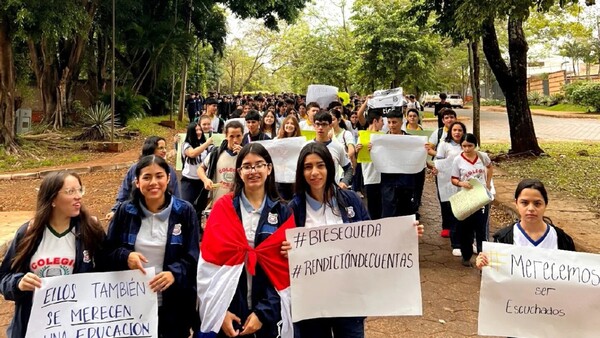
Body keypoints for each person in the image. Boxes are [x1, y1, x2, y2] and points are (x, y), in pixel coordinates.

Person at [283, 142, 424, 338]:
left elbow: (370, 237)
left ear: (330, 168)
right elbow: (283, 253)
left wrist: (403, 235)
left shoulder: (350, 200)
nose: (314, 172)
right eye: (308, 167)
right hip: (312, 303)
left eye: (320, 165)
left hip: (349, 300)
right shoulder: (293, 208)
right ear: (301, 171)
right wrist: (286, 250)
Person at [197, 143, 294, 338]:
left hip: (267, 317)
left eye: (259, 164)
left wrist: (263, 313)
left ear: (269, 168)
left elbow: (286, 272)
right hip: (229, 314)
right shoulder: (223, 208)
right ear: (239, 172)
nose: (253, 171)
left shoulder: (283, 212)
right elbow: (209, 265)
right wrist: (221, 312)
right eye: (247, 166)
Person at [102, 155, 200, 338]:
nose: (153, 182)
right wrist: (125, 256)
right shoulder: (125, 211)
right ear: (137, 182)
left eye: (159, 176)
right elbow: (107, 252)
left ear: (168, 178)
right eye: (147, 177)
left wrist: (174, 272)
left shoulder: (185, 211)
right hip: (132, 307)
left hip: (174, 307)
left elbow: (193, 256)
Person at [0, 171, 105, 338]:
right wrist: (18, 282)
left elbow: (108, 271)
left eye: (80, 190)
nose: (78, 196)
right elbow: (3, 277)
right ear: (52, 199)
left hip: (79, 327)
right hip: (34, 328)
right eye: (70, 192)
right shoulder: (28, 233)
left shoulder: (90, 230)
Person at [476, 179, 575, 270]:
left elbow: (572, 275)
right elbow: (495, 277)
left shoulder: (562, 240)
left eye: (537, 203)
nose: (531, 208)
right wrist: (484, 265)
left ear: (546, 204)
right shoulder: (503, 239)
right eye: (524, 202)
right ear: (516, 203)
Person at [106, 136, 180, 222]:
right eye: (161, 148)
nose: (164, 151)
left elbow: (176, 195)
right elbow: (124, 192)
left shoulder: (169, 170)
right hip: (137, 216)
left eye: (159, 176)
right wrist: (115, 210)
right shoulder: (135, 169)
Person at [451, 133, 494, 267]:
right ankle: (466, 255)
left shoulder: (482, 156)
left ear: (475, 145)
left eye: (470, 146)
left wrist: (487, 182)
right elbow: (453, 179)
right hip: (467, 198)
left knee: (481, 228)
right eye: (464, 146)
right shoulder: (457, 160)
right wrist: (461, 183)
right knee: (465, 228)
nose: (467, 149)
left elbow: (490, 167)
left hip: (481, 197)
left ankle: (483, 257)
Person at [428, 121, 467, 255]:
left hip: (465, 183)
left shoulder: (467, 144)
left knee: (466, 212)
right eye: (454, 130)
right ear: (450, 131)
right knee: (453, 212)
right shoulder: (444, 145)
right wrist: (435, 169)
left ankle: (468, 242)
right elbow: (438, 163)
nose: (457, 133)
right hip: (448, 183)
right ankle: (456, 243)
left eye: (460, 130)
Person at [197, 121, 244, 211]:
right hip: (217, 203)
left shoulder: (247, 156)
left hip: (238, 205)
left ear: (243, 135)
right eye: (231, 136)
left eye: (238, 136)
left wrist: (243, 156)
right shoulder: (217, 153)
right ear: (226, 136)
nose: (235, 140)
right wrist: (205, 180)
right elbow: (201, 168)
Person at [380, 108, 418, 218]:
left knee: (405, 212)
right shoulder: (381, 140)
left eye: (395, 122)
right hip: (388, 182)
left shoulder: (411, 140)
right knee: (388, 212)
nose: (392, 125)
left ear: (402, 122)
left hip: (406, 182)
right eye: (389, 122)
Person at [181, 118, 215, 219]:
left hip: (202, 181)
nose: (199, 132)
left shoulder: (207, 146)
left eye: (200, 130)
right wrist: (207, 143)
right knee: (187, 205)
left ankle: (197, 229)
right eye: (196, 130)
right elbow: (192, 153)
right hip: (188, 181)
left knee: (200, 207)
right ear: (191, 132)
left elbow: (215, 152)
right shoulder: (186, 145)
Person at [312, 111, 353, 190]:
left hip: (332, 192)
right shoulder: (306, 146)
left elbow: (349, 168)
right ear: (314, 125)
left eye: (324, 124)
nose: (320, 127)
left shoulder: (338, 147)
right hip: (312, 193)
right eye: (318, 124)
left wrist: (344, 182)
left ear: (330, 126)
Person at [355, 111, 384, 219]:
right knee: (373, 207)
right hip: (370, 177)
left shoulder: (383, 137)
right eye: (381, 121)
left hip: (383, 177)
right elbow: (356, 159)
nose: (383, 124)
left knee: (382, 206)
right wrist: (357, 151)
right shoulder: (362, 137)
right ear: (375, 121)